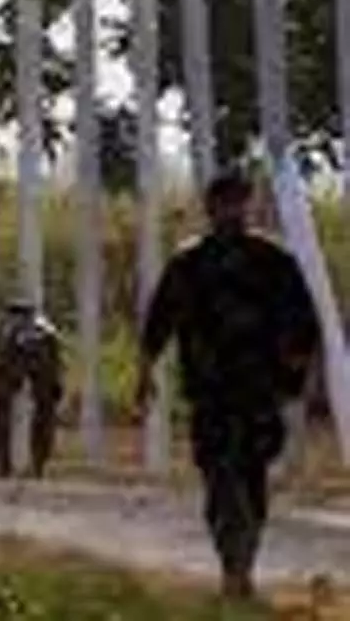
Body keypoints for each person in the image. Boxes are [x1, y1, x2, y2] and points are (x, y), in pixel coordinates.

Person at [137, 170, 323, 601]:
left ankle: (241, 567)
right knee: (219, 479)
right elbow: (159, 321)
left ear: (248, 204)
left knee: (251, 480)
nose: (232, 211)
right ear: (211, 207)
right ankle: (233, 567)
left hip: (259, 392)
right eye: (224, 203)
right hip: (210, 393)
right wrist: (145, 373)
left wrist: (301, 378)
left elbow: (303, 324)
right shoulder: (188, 261)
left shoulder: (274, 260)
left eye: (239, 202)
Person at [0, 299, 64, 479]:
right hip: (38, 367)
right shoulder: (45, 328)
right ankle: (38, 463)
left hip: (8, 366)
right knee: (44, 411)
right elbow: (56, 361)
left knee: (0, 412)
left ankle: (4, 464)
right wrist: (57, 384)